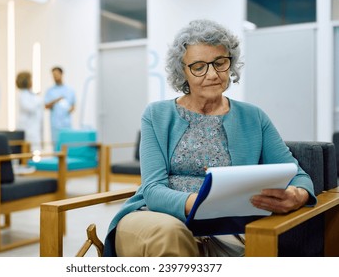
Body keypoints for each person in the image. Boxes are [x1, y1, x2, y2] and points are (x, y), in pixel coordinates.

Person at [103, 19, 317, 257]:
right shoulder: (156, 115)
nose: (212, 74)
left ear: (230, 64)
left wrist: (297, 195)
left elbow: (297, 175)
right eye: (198, 67)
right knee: (170, 233)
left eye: (220, 62)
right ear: (182, 71)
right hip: (154, 216)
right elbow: (153, 190)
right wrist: (204, 204)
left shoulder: (254, 117)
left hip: (226, 225)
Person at [44, 66, 76, 143]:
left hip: (66, 123)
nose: (55, 77)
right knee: (56, 145)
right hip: (55, 124)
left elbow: (73, 106)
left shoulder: (70, 90)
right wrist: (56, 100)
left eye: (56, 74)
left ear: (61, 74)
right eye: (53, 75)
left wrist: (70, 109)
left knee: (67, 145)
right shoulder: (50, 91)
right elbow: (46, 106)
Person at [15, 71, 43, 151]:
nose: (32, 82)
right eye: (31, 79)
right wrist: (38, 99)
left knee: (32, 149)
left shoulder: (30, 94)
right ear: (26, 81)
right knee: (27, 150)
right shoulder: (22, 94)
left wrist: (36, 98)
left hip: (32, 127)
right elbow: (29, 107)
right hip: (27, 128)